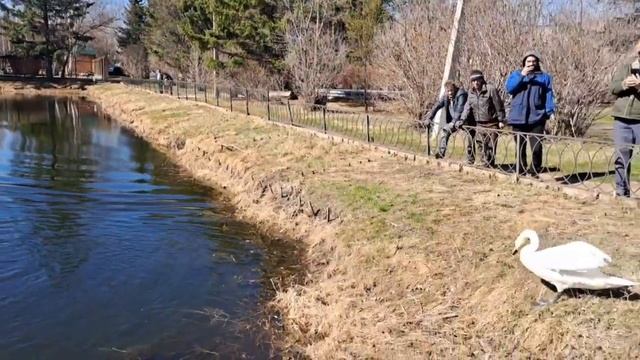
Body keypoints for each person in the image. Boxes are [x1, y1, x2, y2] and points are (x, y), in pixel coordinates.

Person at [505, 50, 555, 176]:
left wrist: (550, 111)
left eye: (534, 61)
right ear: (524, 63)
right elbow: (510, 89)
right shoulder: (516, 75)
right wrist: (522, 75)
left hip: (537, 116)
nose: (531, 64)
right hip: (518, 116)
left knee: (536, 146)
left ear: (538, 63)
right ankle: (520, 169)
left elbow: (549, 95)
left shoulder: (544, 77)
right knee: (520, 146)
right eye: (528, 61)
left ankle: (535, 170)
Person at [610, 40, 640, 197]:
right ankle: (622, 191)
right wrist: (624, 84)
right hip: (622, 118)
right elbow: (612, 88)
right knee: (622, 156)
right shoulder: (626, 67)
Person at [460, 70, 506, 167]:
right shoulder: (471, 93)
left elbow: (498, 105)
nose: (476, 83)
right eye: (473, 81)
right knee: (481, 145)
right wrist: (462, 119)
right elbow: (467, 107)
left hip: (491, 123)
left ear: (481, 80)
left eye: (478, 80)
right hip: (479, 124)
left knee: (491, 146)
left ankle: (490, 165)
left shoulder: (490, 89)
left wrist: (501, 120)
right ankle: (484, 164)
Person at [423, 80, 469, 159]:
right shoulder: (445, 96)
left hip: (465, 120)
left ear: (454, 88)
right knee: (445, 131)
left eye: (451, 90)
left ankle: (471, 159)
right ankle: (441, 153)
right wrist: (429, 118)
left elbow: (460, 109)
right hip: (454, 121)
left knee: (471, 138)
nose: (450, 93)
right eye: (448, 91)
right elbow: (436, 106)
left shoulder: (461, 94)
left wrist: (453, 122)